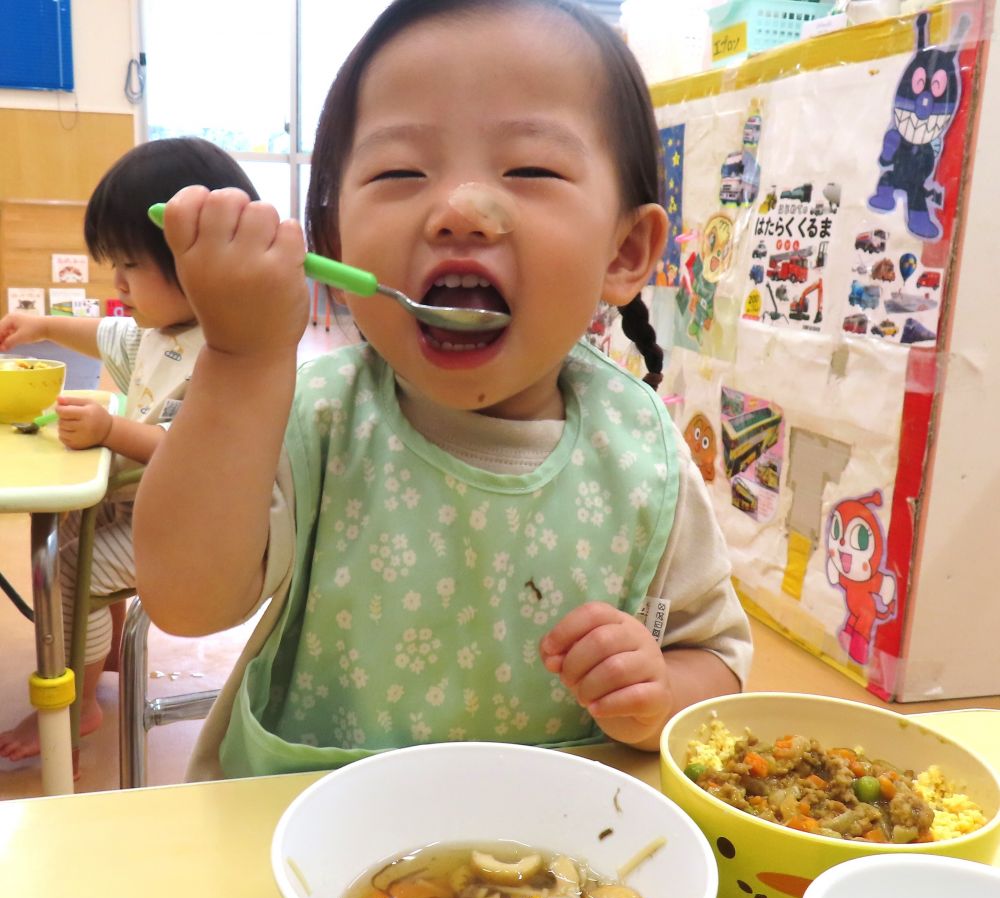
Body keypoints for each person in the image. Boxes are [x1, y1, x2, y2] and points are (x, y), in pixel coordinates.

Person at [134, 0, 753, 781]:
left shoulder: (642, 455)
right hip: (304, 856)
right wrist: (241, 357)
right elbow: (186, 600)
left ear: (625, 250)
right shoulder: (314, 419)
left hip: (554, 870)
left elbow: (718, 656)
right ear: (330, 240)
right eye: (399, 173)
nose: (459, 211)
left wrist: (658, 693)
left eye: (529, 169)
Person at [0, 137, 259, 763]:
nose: (115, 281)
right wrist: (42, 325)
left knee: (68, 570)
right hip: (143, 507)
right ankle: (107, 652)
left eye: (129, 265)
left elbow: (192, 455)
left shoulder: (224, 354)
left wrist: (111, 430)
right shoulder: (159, 328)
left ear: (193, 264)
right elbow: (104, 331)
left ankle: (77, 705)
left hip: (193, 534)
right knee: (72, 521)